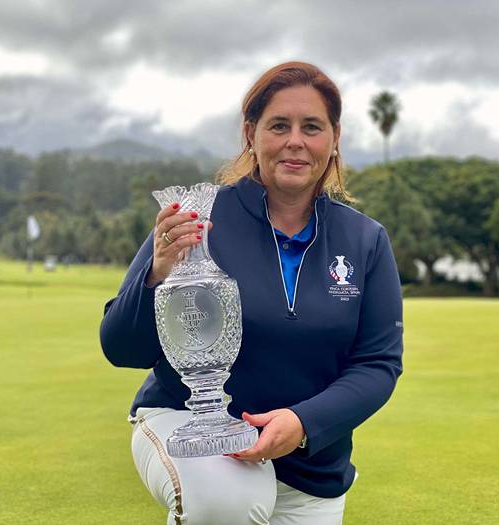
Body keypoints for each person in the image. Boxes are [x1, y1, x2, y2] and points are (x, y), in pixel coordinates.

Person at [100, 61, 404, 525]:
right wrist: (158, 272)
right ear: (251, 133)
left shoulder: (365, 240)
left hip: (311, 471)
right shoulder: (196, 221)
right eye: (279, 125)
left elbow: (378, 364)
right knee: (231, 502)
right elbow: (121, 348)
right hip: (191, 430)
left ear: (335, 137)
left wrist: (304, 424)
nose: (295, 141)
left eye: (312, 127)